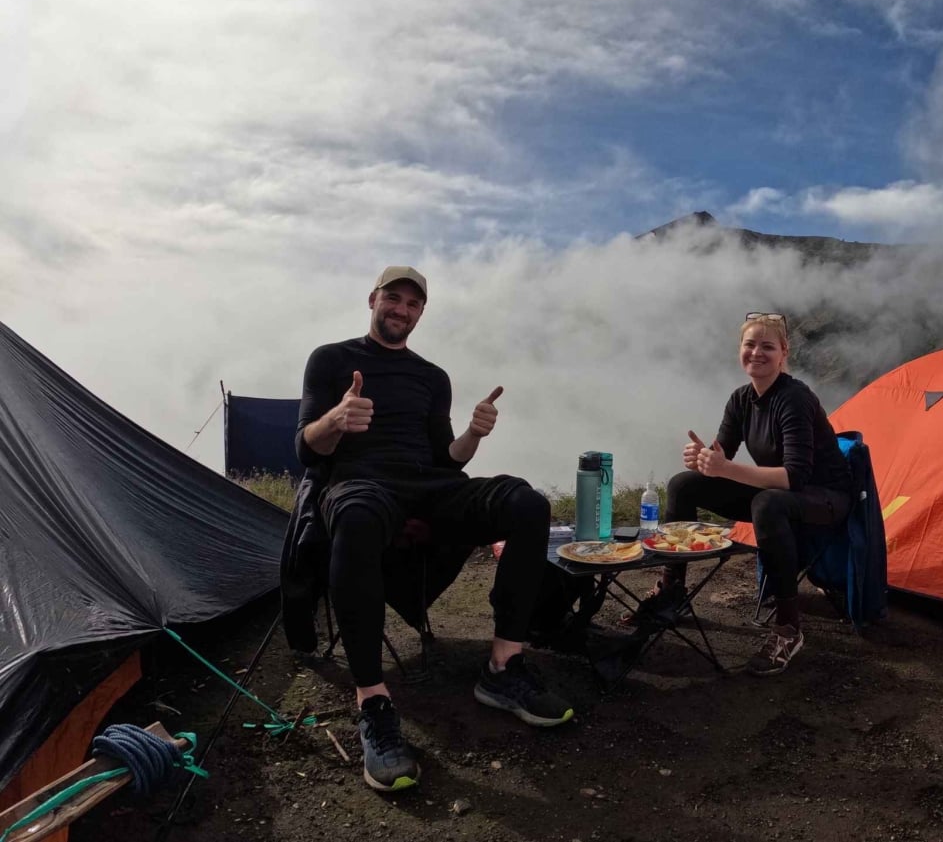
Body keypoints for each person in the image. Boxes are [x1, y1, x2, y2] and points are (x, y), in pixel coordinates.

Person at [295, 265, 572, 793]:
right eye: (392, 298)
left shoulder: (431, 376)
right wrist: (337, 418)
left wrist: (473, 433)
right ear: (373, 298)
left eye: (412, 304)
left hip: (427, 485)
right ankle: (373, 702)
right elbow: (306, 450)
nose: (401, 309)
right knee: (355, 517)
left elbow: (448, 462)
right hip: (359, 485)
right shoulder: (331, 359)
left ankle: (503, 666)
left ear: (421, 312)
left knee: (526, 502)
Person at [634, 313, 852, 676]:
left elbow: (795, 477)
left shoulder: (794, 398)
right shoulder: (741, 399)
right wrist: (703, 460)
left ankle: (787, 628)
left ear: (784, 353)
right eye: (750, 345)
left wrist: (725, 469)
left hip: (826, 497)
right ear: (740, 350)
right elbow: (725, 457)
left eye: (767, 346)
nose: (757, 353)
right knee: (682, 484)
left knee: (767, 501)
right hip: (779, 493)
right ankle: (673, 593)